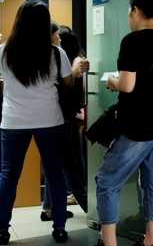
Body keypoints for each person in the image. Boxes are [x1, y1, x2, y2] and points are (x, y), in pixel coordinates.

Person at [95, 0, 153, 246]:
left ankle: (109, 242)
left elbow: (128, 85)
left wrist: (112, 82)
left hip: (138, 127)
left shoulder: (132, 41)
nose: (129, 18)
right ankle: (150, 240)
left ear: (136, 12)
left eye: (130, 12)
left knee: (107, 181)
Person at [0, 1, 73, 244]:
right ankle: (60, 227)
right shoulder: (55, 53)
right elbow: (68, 83)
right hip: (49, 120)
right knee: (54, 173)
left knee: (9, 175)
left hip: (13, 121)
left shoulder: (4, 51)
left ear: (18, 22)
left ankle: (1, 229)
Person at [41, 26, 90, 220]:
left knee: (55, 165)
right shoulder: (65, 61)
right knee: (73, 167)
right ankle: (91, 208)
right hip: (63, 120)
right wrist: (75, 74)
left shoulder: (51, 58)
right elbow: (64, 93)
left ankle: (48, 208)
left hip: (49, 120)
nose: (57, 40)